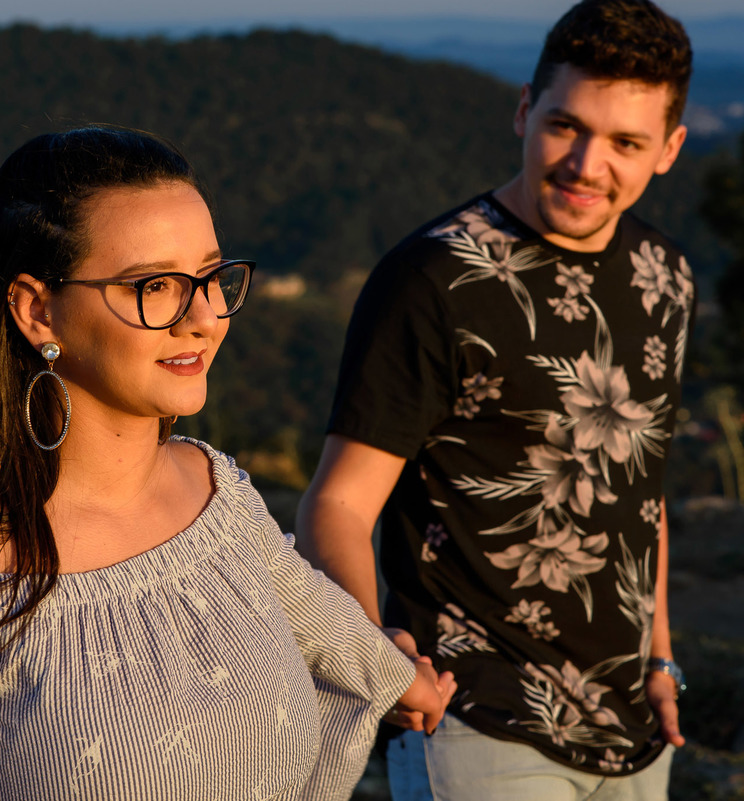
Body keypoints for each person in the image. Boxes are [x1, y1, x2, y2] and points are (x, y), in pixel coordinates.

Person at [0, 126, 453, 800]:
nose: (205, 316)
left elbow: (313, 614)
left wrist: (399, 674)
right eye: (154, 286)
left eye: (211, 277)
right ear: (38, 310)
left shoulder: (214, 493)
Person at [296, 1, 693, 798]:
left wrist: (660, 655)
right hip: (480, 722)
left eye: (625, 143)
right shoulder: (433, 281)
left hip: (635, 733)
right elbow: (335, 506)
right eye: (564, 125)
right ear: (523, 110)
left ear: (669, 150)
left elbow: (637, 490)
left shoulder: (664, 277)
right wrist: (382, 656)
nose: (586, 162)